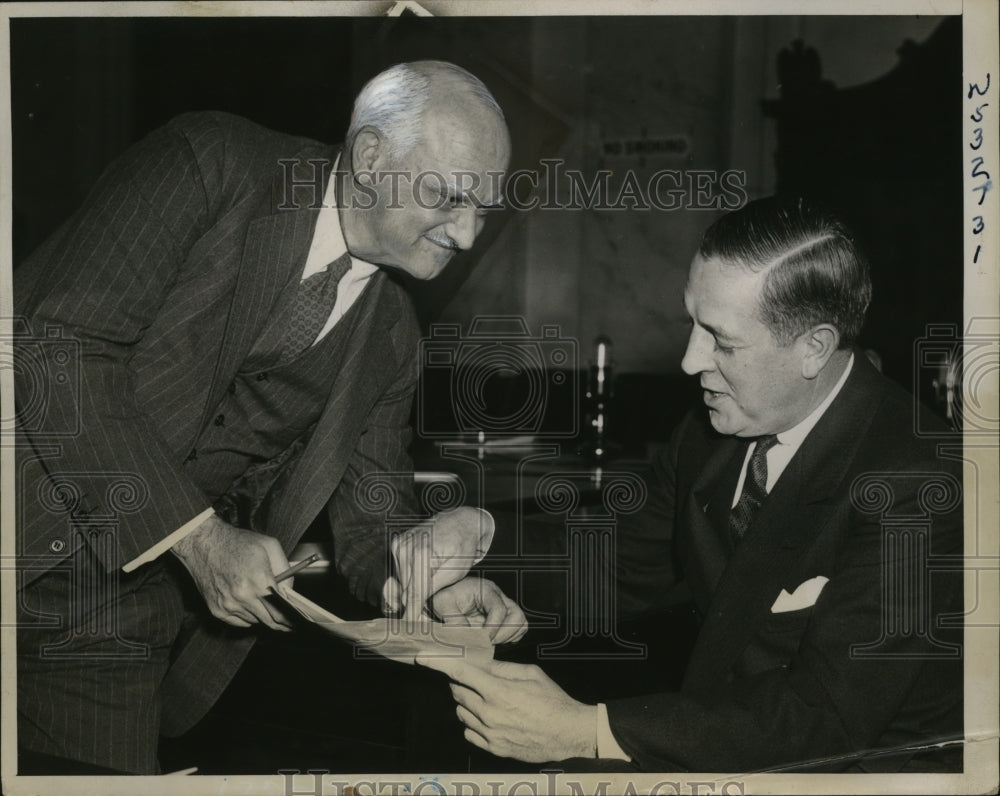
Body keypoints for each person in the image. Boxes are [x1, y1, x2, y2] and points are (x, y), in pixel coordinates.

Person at [15, 60, 526, 775]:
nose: (468, 236)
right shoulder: (211, 164)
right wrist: (197, 538)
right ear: (373, 156)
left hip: (112, 626)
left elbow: (369, 515)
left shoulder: (393, 338)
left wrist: (429, 586)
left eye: (484, 209)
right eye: (448, 197)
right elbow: (57, 349)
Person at [420, 197, 964, 773]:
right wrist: (482, 539)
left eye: (722, 342)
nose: (688, 362)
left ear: (815, 347)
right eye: (692, 324)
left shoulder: (917, 482)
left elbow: (823, 715)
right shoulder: (713, 429)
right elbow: (616, 563)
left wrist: (586, 730)